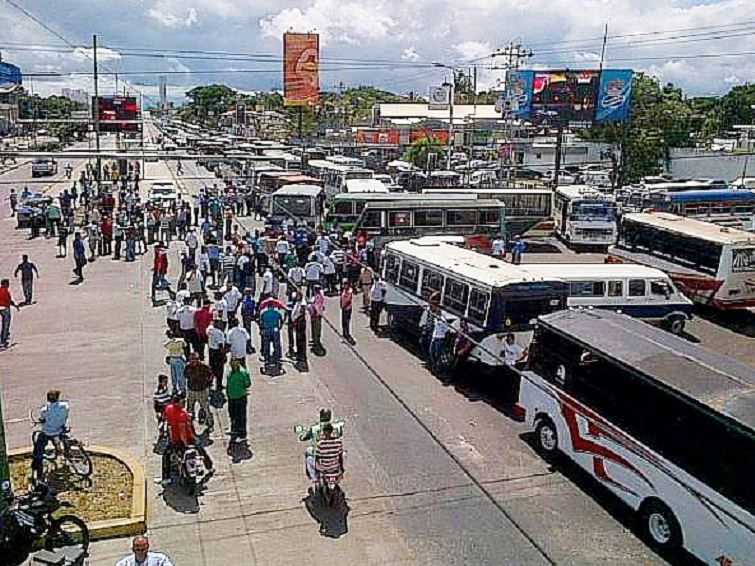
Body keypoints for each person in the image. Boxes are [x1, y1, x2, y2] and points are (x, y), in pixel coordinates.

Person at [31, 390, 70, 481]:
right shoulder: (65, 406)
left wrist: (41, 420)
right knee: (63, 440)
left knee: (38, 449)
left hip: (48, 432)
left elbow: (43, 419)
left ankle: (38, 470)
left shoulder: (45, 410)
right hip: (59, 429)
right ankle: (66, 454)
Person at [184, 353, 214, 432]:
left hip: (202, 391)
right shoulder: (187, 367)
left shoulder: (204, 367)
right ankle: (189, 425)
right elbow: (185, 375)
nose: (193, 361)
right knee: (189, 409)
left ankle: (210, 424)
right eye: (192, 359)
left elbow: (211, 376)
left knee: (206, 409)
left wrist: (207, 384)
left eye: (195, 359)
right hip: (191, 391)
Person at [226, 358, 251, 443]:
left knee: (241, 417)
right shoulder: (230, 372)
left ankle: (242, 435)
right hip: (231, 397)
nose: (233, 364)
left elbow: (247, 384)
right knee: (232, 415)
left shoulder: (242, 373)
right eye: (231, 363)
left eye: (235, 363)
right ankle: (234, 431)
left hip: (240, 397)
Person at [259, 301, 283, 367]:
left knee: (266, 345)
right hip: (275, 330)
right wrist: (280, 327)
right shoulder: (277, 313)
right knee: (276, 345)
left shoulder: (264, 313)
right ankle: (277, 359)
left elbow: (261, 322)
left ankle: (267, 359)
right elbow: (281, 319)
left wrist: (261, 329)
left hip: (267, 330)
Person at [206, 322, 226, 390]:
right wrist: (224, 355)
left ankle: (209, 383)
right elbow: (220, 345)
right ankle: (219, 385)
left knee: (211, 367)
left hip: (211, 351)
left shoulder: (209, 330)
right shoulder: (219, 333)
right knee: (220, 369)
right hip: (217, 353)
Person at [0, 280, 19, 348]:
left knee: (3, 324)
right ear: (5, 284)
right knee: (6, 325)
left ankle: (2, 339)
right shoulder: (5, 291)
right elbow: (9, 300)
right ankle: (3, 341)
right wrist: (15, 306)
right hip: (5, 308)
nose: (8, 285)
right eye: (7, 284)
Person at [308, 285, 325, 354]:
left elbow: (317, 306)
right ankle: (314, 339)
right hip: (313, 315)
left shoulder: (318, 297)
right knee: (314, 328)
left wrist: (316, 312)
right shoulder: (315, 296)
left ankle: (316, 342)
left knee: (316, 329)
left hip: (316, 315)